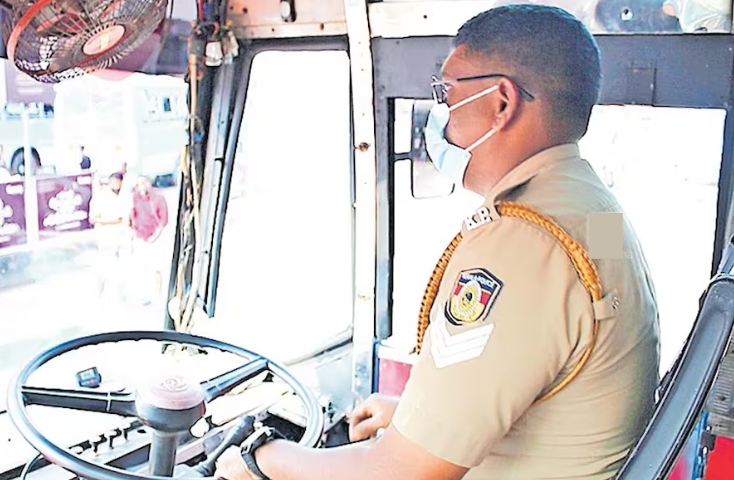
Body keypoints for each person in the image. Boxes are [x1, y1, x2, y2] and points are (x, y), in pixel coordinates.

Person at [216, 4, 660, 480]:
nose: (441, 114)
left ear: (501, 102)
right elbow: (553, 358)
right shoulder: (593, 208)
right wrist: (420, 413)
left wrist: (261, 460)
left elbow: (402, 474)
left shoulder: (519, 244)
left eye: (448, 93)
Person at [128, 176, 169, 305]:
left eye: (143, 183)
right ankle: (145, 296)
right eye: (138, 184)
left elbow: (163, 220)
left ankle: (158, 296)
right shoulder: (135, 198)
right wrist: (133, 232)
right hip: (140, 237)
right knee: (142, 268)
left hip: (155, 236)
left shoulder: (158, 197)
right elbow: (131, 216)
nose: (141, 186)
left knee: (156, 268)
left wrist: (155, 236)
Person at [89, 172, 129, 302]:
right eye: (114, 181)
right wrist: (113, 220)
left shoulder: (122, 196)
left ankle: (120, 297)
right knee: (106, 269)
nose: (117, 184)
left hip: (121, 237)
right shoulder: (100, 197)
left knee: (121, 269)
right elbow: (93, 218)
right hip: (106, 238)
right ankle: (98, 295)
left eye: (119, 182)